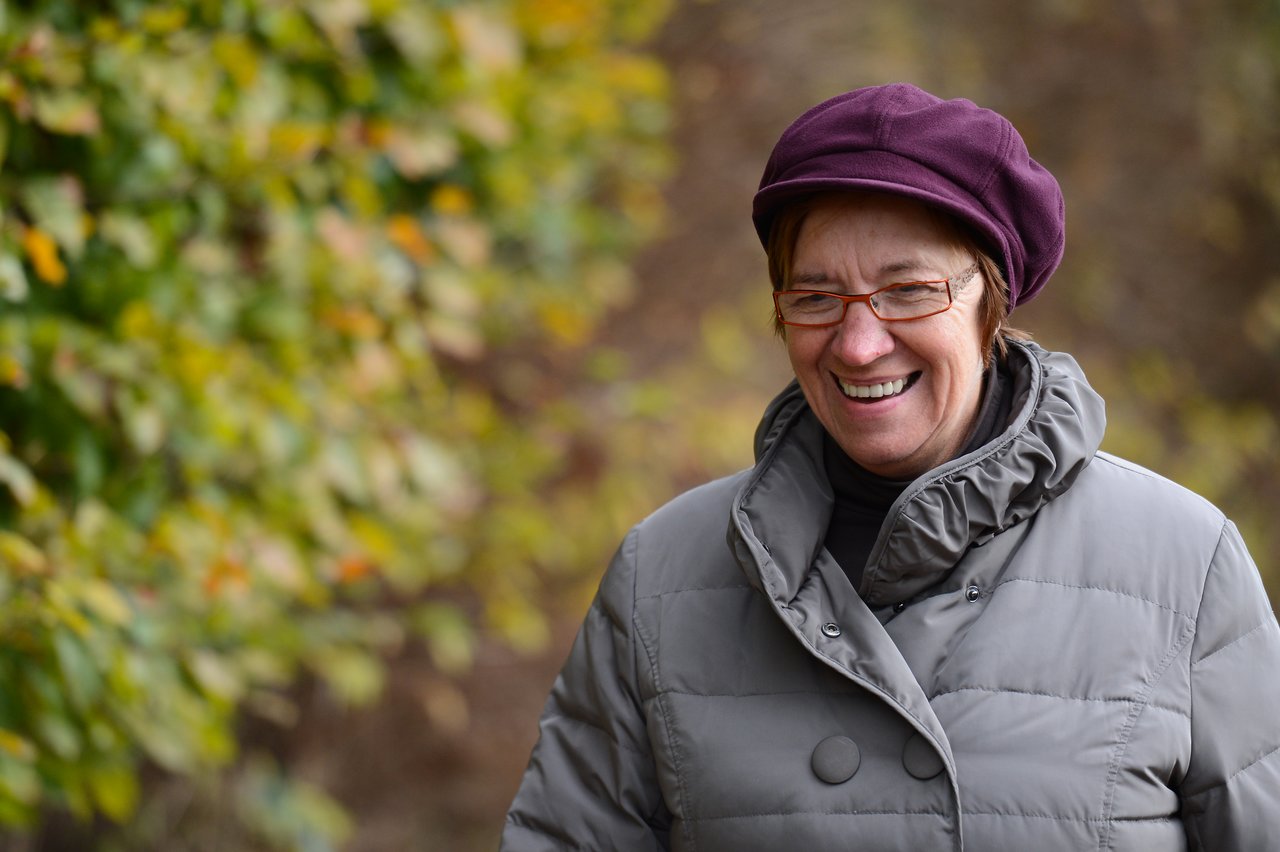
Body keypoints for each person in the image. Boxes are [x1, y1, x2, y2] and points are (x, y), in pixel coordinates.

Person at [500, 83, 1280, 851]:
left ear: (990, 303)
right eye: (815, 297)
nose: (859, 343)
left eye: (908, 291)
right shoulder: (661, 578)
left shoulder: (1181, 563)